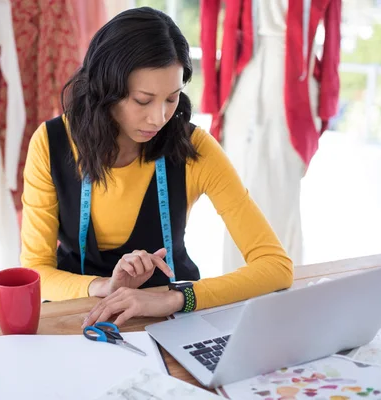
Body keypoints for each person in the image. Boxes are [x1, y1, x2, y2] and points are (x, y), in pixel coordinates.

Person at [20, 7, 293, 328]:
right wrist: (104, 287)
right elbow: (36, 270)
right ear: (105, 90)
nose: (159, 118)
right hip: (80, 313)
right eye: (142, 100)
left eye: (172, 98)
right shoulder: (53, 143)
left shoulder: (193, 148)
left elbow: (276, 266)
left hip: (171, 318)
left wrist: (176, 297)